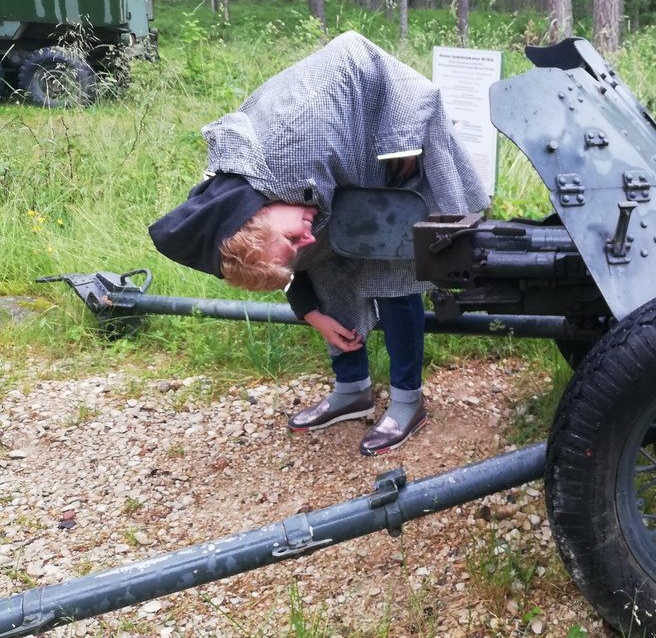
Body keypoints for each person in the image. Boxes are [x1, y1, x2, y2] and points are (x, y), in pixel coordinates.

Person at [148, 32, 490, 455]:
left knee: (396, 269)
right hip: (336, 185)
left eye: (293, 238)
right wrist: (311, 313)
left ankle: (408, 401)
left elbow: (356, 51)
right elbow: (290, 262)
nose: (304, 239)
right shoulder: (247, 213)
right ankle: (352, 391)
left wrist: (400, 141)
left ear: (259, 214)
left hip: (389, 157)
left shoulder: (299, 137)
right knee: (325, 269)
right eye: (296, 242)